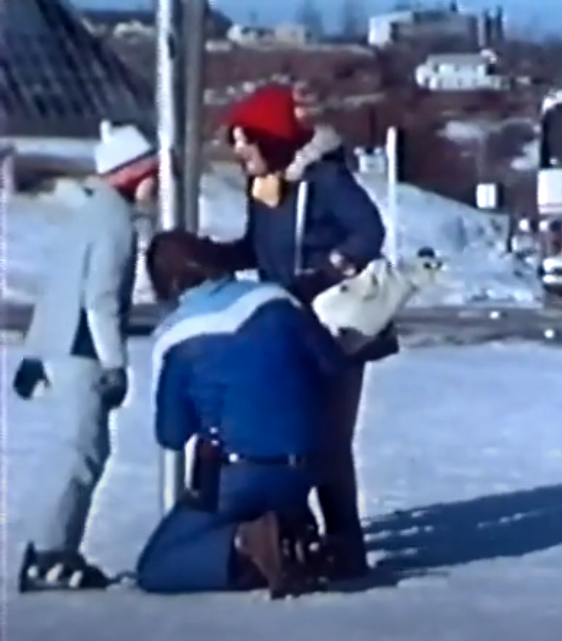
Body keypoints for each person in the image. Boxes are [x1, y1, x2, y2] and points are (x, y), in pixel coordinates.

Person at [204, 84, 392, 579]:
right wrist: (215, 256)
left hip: (337, 326)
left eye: (246, 140)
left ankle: (346, 545)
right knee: (293, 433)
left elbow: (369, 233)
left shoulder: (324, 179)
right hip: (285, 328)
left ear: (274, 139)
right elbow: (258, 249)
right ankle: (299, 537)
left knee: (328, 438)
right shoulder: (263, 190)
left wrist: (327, 270)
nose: (239, 151)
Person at [135, 230, 349, 596]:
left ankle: (251, 546)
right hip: (310, 464)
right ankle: (290, 542)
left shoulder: (179, 335)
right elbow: (332, 365)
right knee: (273, 496)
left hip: (238, 472)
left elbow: (171, 434)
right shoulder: (276, 299)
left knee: (159, 566)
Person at [13, 124, 158, 592]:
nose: (157, 179)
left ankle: (51, 546)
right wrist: (114, 364)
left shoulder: (85, 214)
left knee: (71, 453)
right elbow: (99, 298)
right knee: (82, 454)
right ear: (131, 173)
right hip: (83, 352)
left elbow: (56, 285)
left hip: (60, 347)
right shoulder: (115, 222)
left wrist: (36, 353)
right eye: (151, 169)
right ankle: (51, 554)